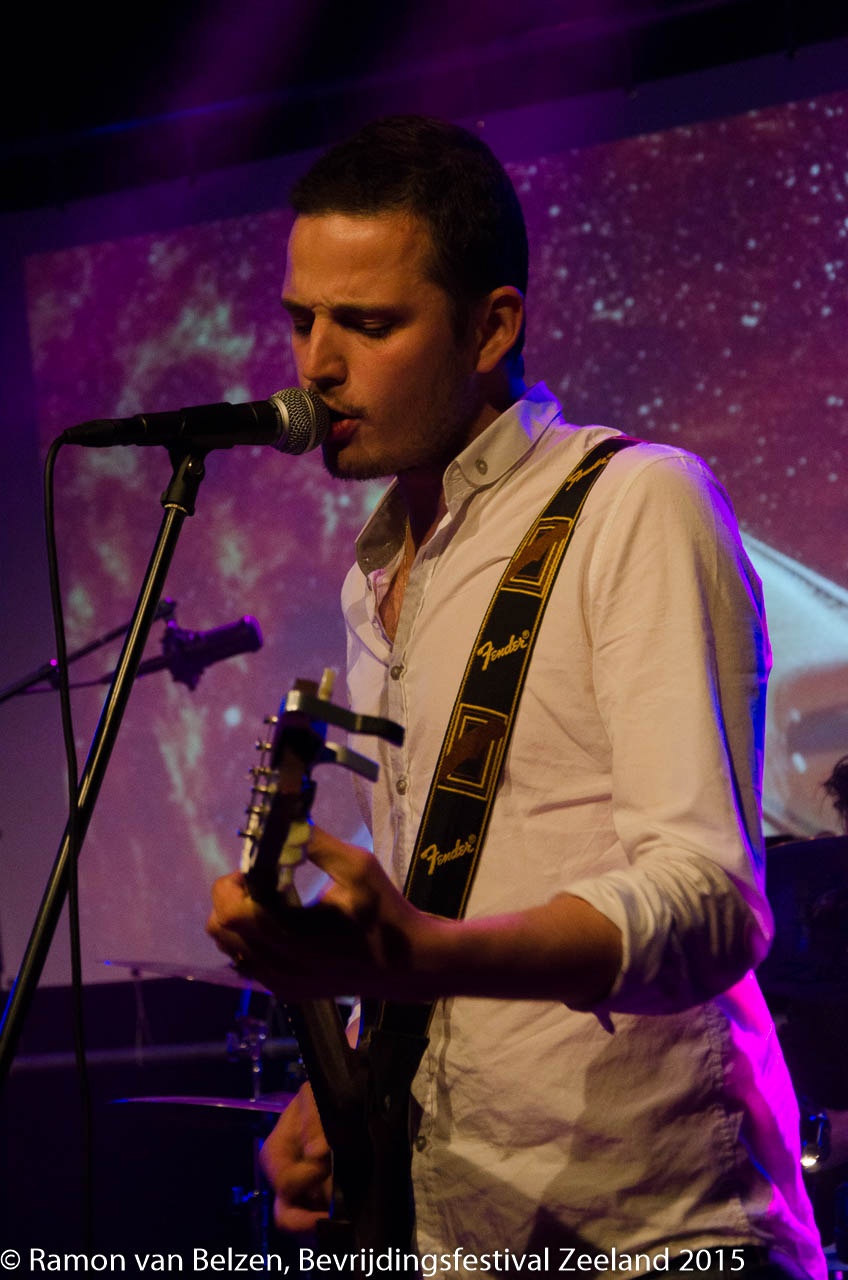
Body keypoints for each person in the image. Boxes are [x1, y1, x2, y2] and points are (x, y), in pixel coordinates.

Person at [207, 116, 825, 1278]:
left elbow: (709, 901)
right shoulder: (376, 569)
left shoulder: (633, 501)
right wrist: (342, 1080)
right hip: (459, 1233)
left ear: (491, 327)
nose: (315, 365)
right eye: (300, 319)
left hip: (658, 1232)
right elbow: (460, 875)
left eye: (367, 324)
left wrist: (422, 950)